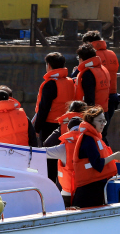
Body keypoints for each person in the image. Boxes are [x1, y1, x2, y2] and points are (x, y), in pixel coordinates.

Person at [73, 106, 120, 208]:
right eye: (100, 121)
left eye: (104, 121)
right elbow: (97, 163)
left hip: (95, 187)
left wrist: (116, 158)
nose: (103, 124)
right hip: (88, 190)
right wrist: (114, 156)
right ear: (91, 122)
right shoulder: (88, 139)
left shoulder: (94, 138)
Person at [35, 52, 76, 182]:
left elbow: (43, 109)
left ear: (49, 66)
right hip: (67, 125)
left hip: (49, 125)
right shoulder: (70, 82)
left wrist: (36, 129)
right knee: (65, 157)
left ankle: (50, 184)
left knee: (49, 159)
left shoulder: (50, 84)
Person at [81, 31, 120, 140]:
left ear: (89, 43)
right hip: (113, 96)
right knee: (104, 130)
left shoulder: (93, 57)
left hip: (99, 98)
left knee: (97, 132)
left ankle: (103, 154)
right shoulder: (112, 54)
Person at [44, 115, 83, 207]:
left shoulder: (63, 148)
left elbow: (42, 152)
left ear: (68, 130)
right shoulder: (91, 142)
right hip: (85, 191)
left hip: (67, 193)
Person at [74, 44, 111, 111]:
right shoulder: (103, 69)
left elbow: (89, 98)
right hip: (104, 110)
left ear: (81, 59)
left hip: (93, 113)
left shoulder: (87, 74)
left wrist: (89, 115)